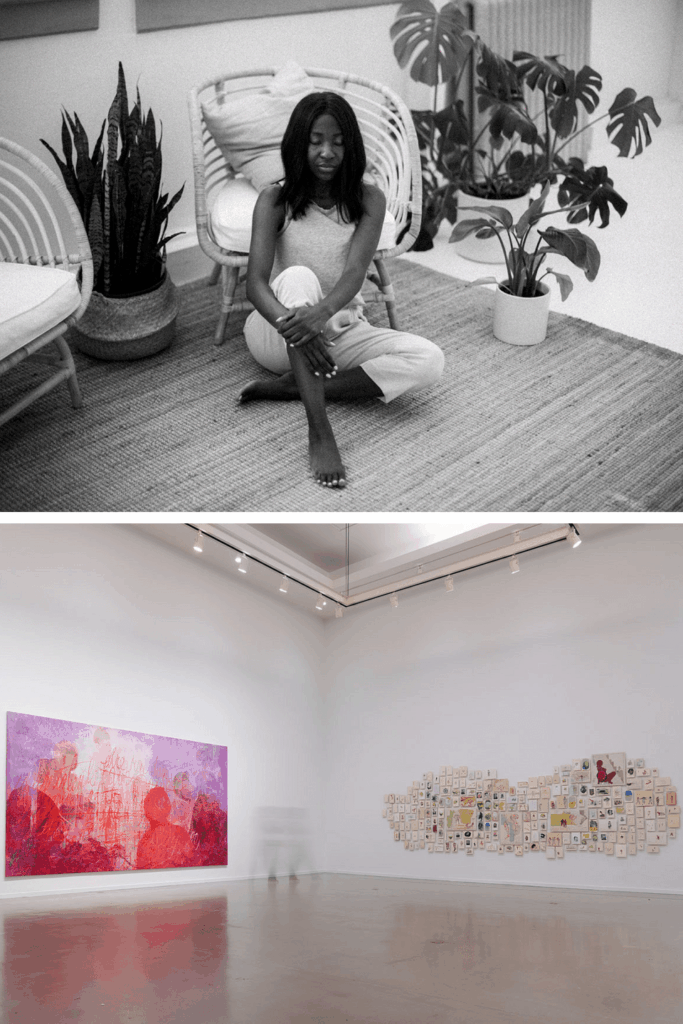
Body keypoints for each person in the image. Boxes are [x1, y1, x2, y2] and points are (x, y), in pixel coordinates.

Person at [239, 91, 444, 488]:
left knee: (429, 360)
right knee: (299, 277)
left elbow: (354, 274)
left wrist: (321, 316)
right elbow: (255, 285)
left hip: (338, 329)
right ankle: (320, 431)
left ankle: (302, 386)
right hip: (275, 334)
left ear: (351, 145)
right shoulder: (274, 199)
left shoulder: (369, 199)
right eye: (316, 141)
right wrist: (300, 321)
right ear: (299, 144)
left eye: (337, 141)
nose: (327, 152)